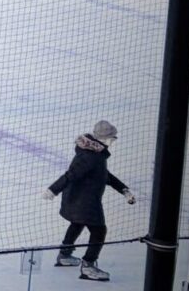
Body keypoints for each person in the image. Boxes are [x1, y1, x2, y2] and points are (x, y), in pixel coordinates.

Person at [44, 119, 134, 281]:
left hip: (80, 199)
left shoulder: (96, 155)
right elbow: (71, 174)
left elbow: (104, 175)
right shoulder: (90, 156)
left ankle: (64, 255)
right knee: (99, 231)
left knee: (77, 223)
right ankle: (88, 266)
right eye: (112, 137)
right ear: (104, 138)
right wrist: (53, 189)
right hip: (85, 202)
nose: (113, 141)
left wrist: (124, 189)